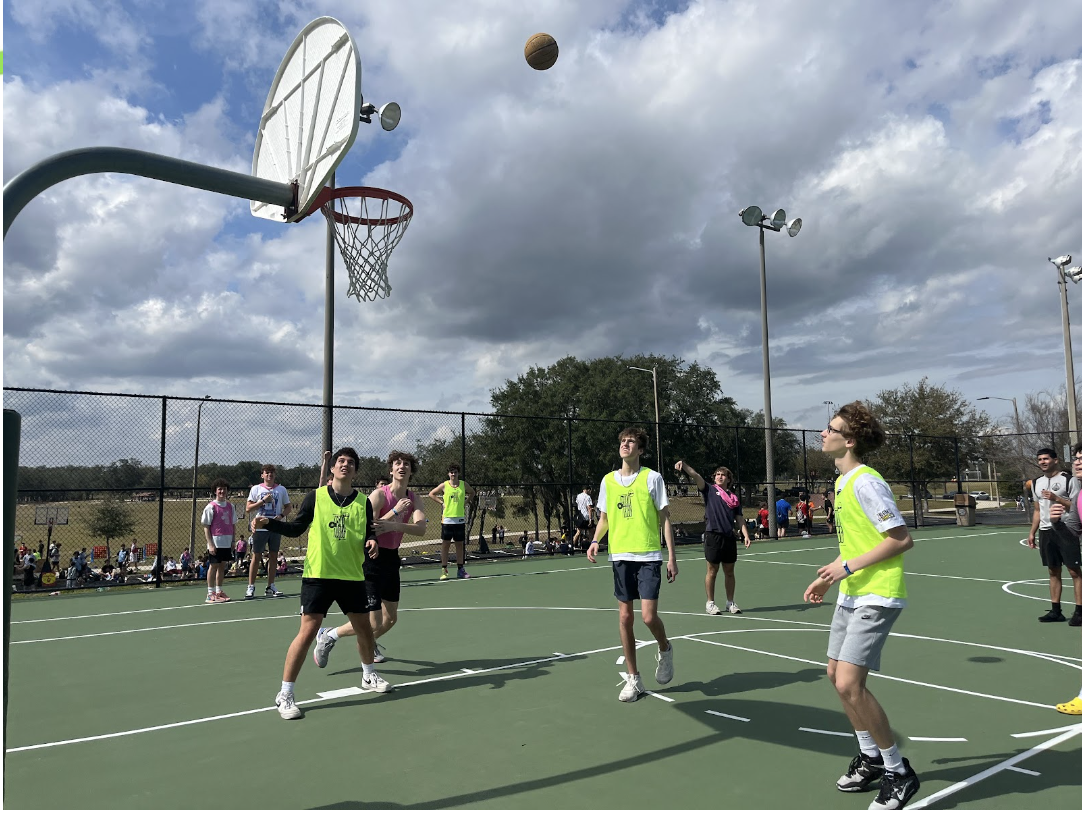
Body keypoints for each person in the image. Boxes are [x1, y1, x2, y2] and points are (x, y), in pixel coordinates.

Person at [803, 402, 920, 810]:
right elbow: (858, 543)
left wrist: (847, 567)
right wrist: (830, 573)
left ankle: (897, 771)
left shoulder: (866, 482)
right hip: (853, 591)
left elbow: (900, 539)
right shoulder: (841, 482)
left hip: (878, 593)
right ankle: (871, 758)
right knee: (835, 675)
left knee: (851, 683)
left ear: (848, 440)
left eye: (830, 428)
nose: (823, 433)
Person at [254, 446, 391, 720]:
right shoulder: (315, 497)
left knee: (364, 629)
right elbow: (296, 528)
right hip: (318, 574)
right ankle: (285, 693)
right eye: (341, 461)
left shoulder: (362, 502)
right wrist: (270, 522)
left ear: (355, 470)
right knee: (307, 631)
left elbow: (368, 531)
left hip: (352, 575)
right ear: (332, 468)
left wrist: (372, 540)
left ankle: (368, 676)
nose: (345, 465)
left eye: (351, 462)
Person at [313, 450, 428, 669]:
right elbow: (369, 528)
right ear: (391, 469)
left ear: (411, 471)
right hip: (371, 558)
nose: (402, 466)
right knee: (373, 621)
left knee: (391, 619)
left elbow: (421, 529)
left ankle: (370, 642)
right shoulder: (380, 495)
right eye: (397, 463)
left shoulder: (414, 498)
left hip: (392, 559)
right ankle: (329, 634)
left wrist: (395, 525)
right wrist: (394, 511)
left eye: (406, 464)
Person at [587, 427, 677, 702]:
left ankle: (665, 649)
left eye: (631, 442)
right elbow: (604, 518)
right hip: (620, 556)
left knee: (648, 617)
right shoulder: (608, 481)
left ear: (641, 449)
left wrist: (672, 556)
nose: (626, 445)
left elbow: (664, 518)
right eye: (623, 441)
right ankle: (634, 678)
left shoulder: (653, 478)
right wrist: (594, 541)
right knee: (625, 617)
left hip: (649, 555)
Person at [674, 460, 752, 615]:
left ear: (729, 479)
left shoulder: (734, 498)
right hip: (712, 536)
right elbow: (696, 476)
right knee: (712, 570)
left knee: (729, 571)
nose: (720, 477)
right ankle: (710, 603)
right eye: (717, 474)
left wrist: (745, 534)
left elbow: (739, 518)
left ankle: (730, 602)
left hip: (728, 537)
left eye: (723, 475)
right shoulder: (709, 490)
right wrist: (685, 466)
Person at [1025, 447, 1080, 624]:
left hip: (1066, 529)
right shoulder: (1035, 483)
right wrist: (1032, 532)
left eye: (1046, 458)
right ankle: (1056, 611)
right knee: (1053, 570)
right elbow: (1037, 510)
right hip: (1046, 531)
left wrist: (1057, 499)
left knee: (1074, 571)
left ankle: (1079, 612)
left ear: (1055, 460)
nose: (1042, 461)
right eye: (1040, 459)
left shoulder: (1069, 480)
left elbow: (1077, 507)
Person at [1047, 443, 1082, 627]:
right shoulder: (1079, 497)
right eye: (1076, 459)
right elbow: (1072, 533)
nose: (1077, 463)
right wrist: (1056, 522)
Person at [245, 464, 292, 599]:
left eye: (271, 472)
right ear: (262, 475)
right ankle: (251, 586)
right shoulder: (256, 489)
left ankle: (271, 585)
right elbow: (248, 508)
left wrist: (281, 516)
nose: (269, 475)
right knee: (257, 555)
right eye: (267, 473)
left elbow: (288, 507)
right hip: (260, 525)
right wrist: (262, 501)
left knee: (273, 555)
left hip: (275, 525)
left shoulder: (281, 489)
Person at [428, 464, 476, 580]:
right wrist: (441, 503)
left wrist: (465, 503)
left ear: (458, 473)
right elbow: (431, 494)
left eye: (455, 472)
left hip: (459, 519)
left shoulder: (463, 485)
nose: (453, 474)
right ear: (448, 474)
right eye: (451, 472)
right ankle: (444, 570)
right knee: (446, 545)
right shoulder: (444, 485)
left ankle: (461, 570)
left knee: (459, 545)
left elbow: (472, 493)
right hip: (447, 519)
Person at [201, 479, 237, 603]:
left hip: (227, 541)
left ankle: (219, 591)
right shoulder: (211, 506)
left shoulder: (230, 506)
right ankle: (210, 593)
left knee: (222, 566)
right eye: (219, 489)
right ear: (215, 491)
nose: (222, 491)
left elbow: (233, 525)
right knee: (213, 566)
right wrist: (210, 544)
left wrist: (233, 541)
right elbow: (206, 526)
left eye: (224, 489)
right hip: (216, 541)